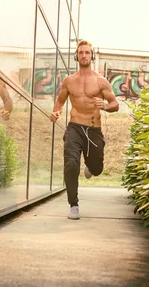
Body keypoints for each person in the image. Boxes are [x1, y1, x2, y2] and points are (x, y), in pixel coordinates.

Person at [50, 40, 119, 220]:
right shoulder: (69, 81)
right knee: (71, 164)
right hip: (74, 128)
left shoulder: (101, 81)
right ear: (76, 56)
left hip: (93, 130)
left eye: (87, 52)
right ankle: (73, 204)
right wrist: (55, 112)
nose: (84, 55)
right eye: (81, 52)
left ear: (92, 55)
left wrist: (104, 106)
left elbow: (115, 104)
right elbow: (60, 100)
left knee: (97, 169)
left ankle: (91, 167)